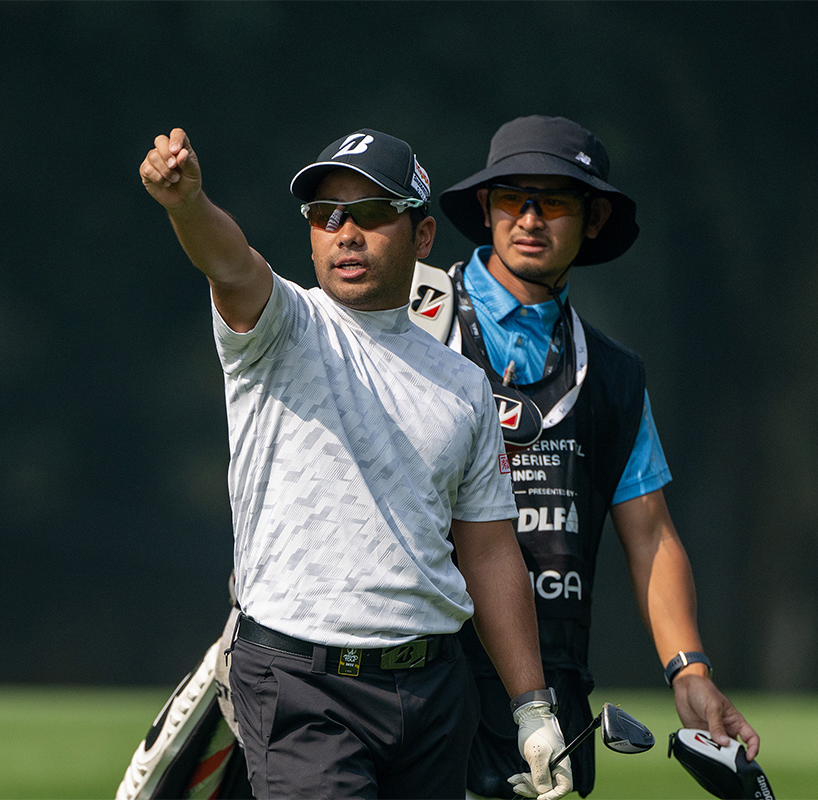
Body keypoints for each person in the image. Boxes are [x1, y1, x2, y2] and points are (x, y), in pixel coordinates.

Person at [138, 126, 574, 800]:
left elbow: (489, 551)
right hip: (300, 685)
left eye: (371, 214)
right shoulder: (282, 326)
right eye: (325, 215)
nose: (344, 232)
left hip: (433, 692)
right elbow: (230, 264)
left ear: (422, 237)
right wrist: (187, 205)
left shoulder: (462, 386)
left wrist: (533, 709)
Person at [428, 115, 761, 798]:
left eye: (552, 200)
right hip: (425, 675)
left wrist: (689, 671)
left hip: (554, 688)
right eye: (511, 197)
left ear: (593, 217)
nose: (528, 217)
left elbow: (652, 535)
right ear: (486, 209)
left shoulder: (613, 375)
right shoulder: (417, 323)